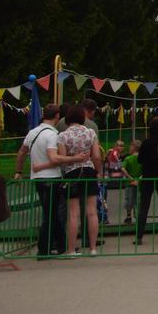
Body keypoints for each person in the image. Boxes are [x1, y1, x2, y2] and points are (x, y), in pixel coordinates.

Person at [14, 103, 80, 256]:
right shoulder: (52, 135)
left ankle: (61, 245)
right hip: (52, 177)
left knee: (51, 213)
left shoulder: (32, 132)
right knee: (51, 214)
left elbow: (22, 152)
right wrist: (75, 157)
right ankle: (44, 248)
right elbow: (54, 157)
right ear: (57, 117)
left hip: (37, 178)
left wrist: (19, 170)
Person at [57, 104, 102, 256]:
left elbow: (63, 160)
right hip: (89, 170)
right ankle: (93, 247)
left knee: (73, 213)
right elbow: (96, 155)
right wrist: (98, 171)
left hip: (71, 172)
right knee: (91, 211)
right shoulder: (90, 132)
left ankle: (70, 249)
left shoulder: (63, 135)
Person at [135, 117, 158, 244]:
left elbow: (140, 160)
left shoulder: (146, 142)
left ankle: (139, 235)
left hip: (148, 176)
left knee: (144, 206)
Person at [122, 141, 142, 225]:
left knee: (129, 200)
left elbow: (123, 168)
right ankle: (138, 216)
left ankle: (129, 216)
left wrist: (130, 178)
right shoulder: (142, 158)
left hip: (129, 183)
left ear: (133, 147)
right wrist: (138, 180)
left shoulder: (128, 158)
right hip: (139, 183)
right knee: (138, 200)